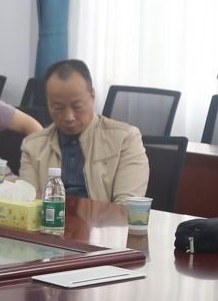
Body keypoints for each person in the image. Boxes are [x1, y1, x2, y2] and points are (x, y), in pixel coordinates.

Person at [18, 59, 148, 202]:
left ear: (92, 97)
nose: (69, 117)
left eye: (77, 106)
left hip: (104, 217)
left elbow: (126, 207)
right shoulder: (33, 146)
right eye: (58, 107)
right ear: (48, 103)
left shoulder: (125, 139)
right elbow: (27, 203)